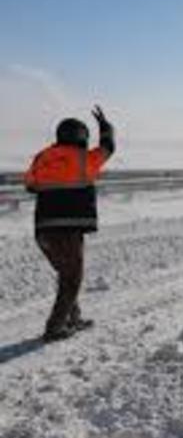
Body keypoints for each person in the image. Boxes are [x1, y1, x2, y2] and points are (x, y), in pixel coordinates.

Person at [24, 105, 116, 342]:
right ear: (81, 136)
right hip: (69, 231)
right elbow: (108, 149)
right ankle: (54, 328)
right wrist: (105, 128)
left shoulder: (42, 157)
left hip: (43, 231)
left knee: (67, 276)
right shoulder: (85, 159)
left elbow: (30, 184)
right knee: (72, 278)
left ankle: (73, 318)